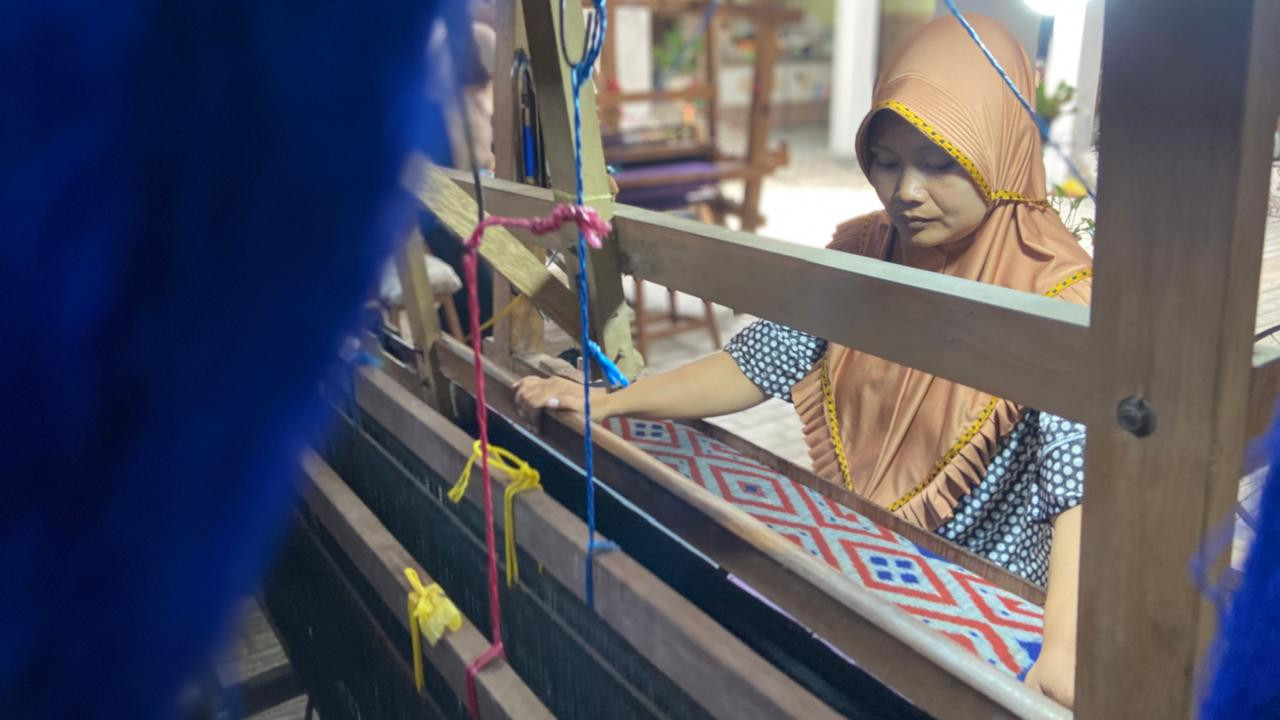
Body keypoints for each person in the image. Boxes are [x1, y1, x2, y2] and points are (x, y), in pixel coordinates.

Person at [515, 14, 1090, 707]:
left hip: (987, 599)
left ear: (999, 147)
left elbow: (1079, 486)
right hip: (871, 559)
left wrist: (1062, 650)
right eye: (887, 161)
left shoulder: (1057, 290)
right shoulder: (870, 251)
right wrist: (612, 402)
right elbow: (761, 360)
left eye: (940, 162)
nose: (906, 190)